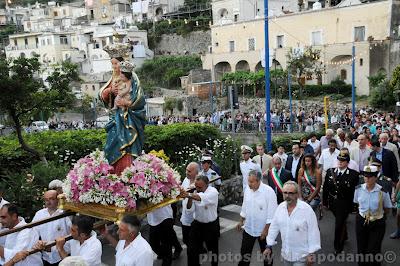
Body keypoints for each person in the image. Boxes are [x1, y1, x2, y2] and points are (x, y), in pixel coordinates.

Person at [100, 55, 146, 176]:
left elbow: (139, 97)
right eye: (112, 64)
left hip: (128, 116)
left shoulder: (132, 78)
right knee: (113, 141)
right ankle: (114, 173)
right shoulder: (113, 79)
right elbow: (102, 97)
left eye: (116, 63)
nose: (115, 67)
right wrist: (109, 92)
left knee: (128, 144)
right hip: (115, 117)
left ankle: (128, 173)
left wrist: (127, 103)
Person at [264, 181, 321, 265]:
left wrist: (311, 253)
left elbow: (313, 232)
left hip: (302, 255)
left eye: (291, 193)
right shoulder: (280, 208)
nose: (287, 196)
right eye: (285, 193)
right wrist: (269, 246)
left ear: (297, 194)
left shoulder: (306, 210)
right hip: (286, 255)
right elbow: (274, 227)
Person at [354, 165, 392, 266]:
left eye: (370, 176)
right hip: (362, 220)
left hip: (377, 222)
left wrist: (378, 215)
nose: (367, 178)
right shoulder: (358, 189)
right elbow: (357, 203)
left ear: (376, 177)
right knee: (361, 247)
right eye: (365, 176)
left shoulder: (382, 191)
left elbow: (387, 208)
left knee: (373, 249)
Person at [237, 170, 277, 266]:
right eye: (248, 181)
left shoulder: (269, 192)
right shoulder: (247, 189)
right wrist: (241, 221)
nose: (249, 184)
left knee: (267, 256)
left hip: (263, 230)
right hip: (249, 229)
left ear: (259, 181)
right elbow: (245, 206)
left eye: (251, 182)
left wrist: (266, 230)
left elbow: (272, 214)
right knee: (244, 255)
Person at [322, 151, 359, 254]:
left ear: (347, 163)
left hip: (345, 203)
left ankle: (338, 247)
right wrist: (324, 203)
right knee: (341, 222)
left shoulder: (354, 174)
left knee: (339, 224)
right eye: (339, 160)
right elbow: (325, 188)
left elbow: (355, 191)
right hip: (333, 202)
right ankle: (345, 234)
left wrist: (354, 205)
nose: (340, 162)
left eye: (343, 161)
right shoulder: (330, 171)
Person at [181, 175, 219, 266]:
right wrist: (189, 197)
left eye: (200, 187)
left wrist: (189, 195)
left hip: (211, 225)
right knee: (191, 250)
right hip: (197, 224)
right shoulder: (194, 192)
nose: (197, 189)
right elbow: (189, 209)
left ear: (207, 185)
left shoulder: (213, 192)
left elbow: (202, 197)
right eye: (196, 186)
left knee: (213, 250)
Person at [32, 190, 72, 266]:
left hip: (62, 257)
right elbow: (33, 233)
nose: (48, 202)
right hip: (45, 257)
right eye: (46, 200)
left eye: (51, 199)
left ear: (58, 199)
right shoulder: (39, 214)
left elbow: (73, 236)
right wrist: (38, 242)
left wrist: (53, 248)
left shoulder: (65, 214)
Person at [180, 162, 198, 247]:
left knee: (193, 243)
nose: (187, 172)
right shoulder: (186, 179)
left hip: (195, 220)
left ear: (196, 173)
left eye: (189, 171)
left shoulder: (199, 184)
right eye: (186, 170)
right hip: (185, 218)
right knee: (186, 240)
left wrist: (190, 196)